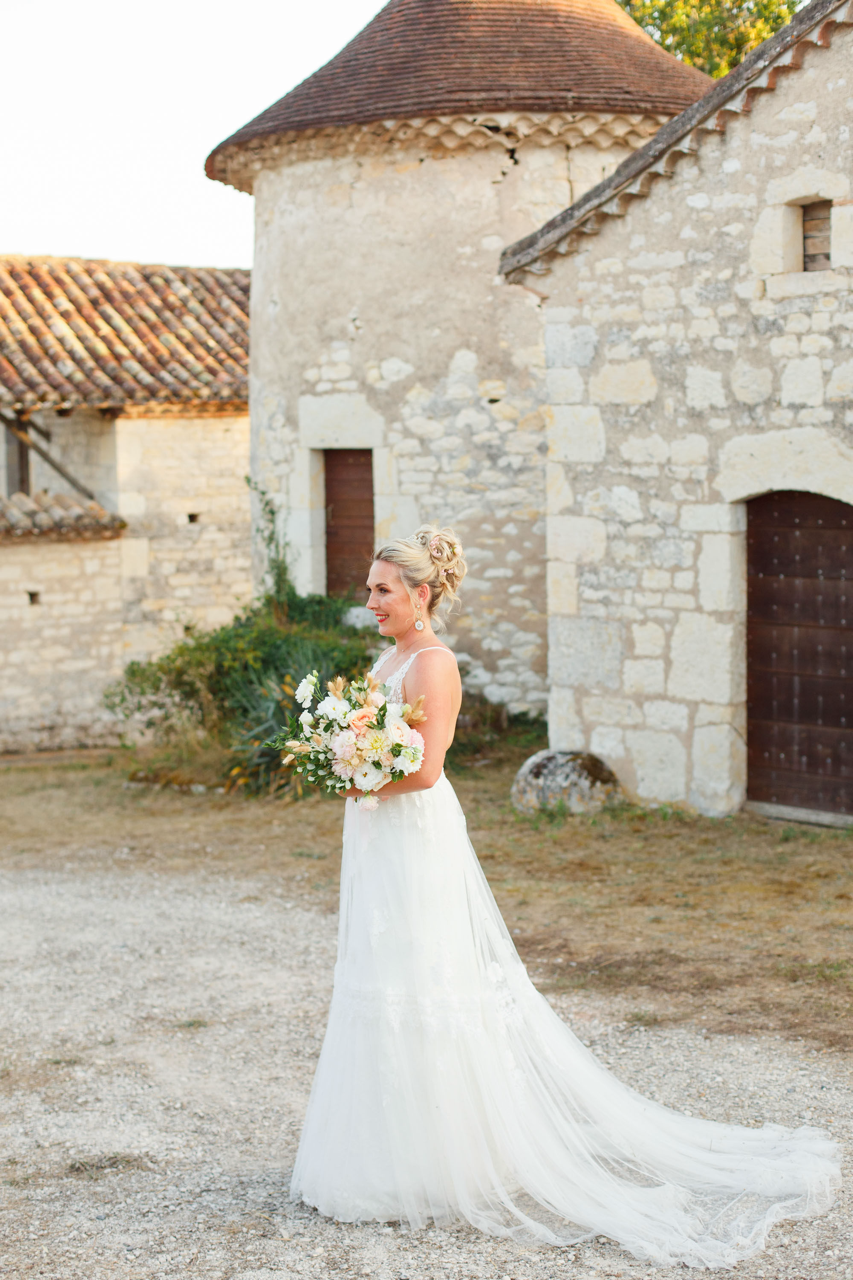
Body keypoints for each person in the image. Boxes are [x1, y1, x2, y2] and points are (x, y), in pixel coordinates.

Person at [289, 525, 840, 1267]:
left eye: (382, 589)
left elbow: (424, 771)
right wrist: (343, 758)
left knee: (421, 975)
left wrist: (359, 776)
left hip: (410, 828)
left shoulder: (433, 663)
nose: (370, 600)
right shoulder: (388, 657)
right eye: (369, 588)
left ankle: (444, 1158)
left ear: (421, 594)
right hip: (376, 831)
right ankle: (390, 1153)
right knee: (379, 973)